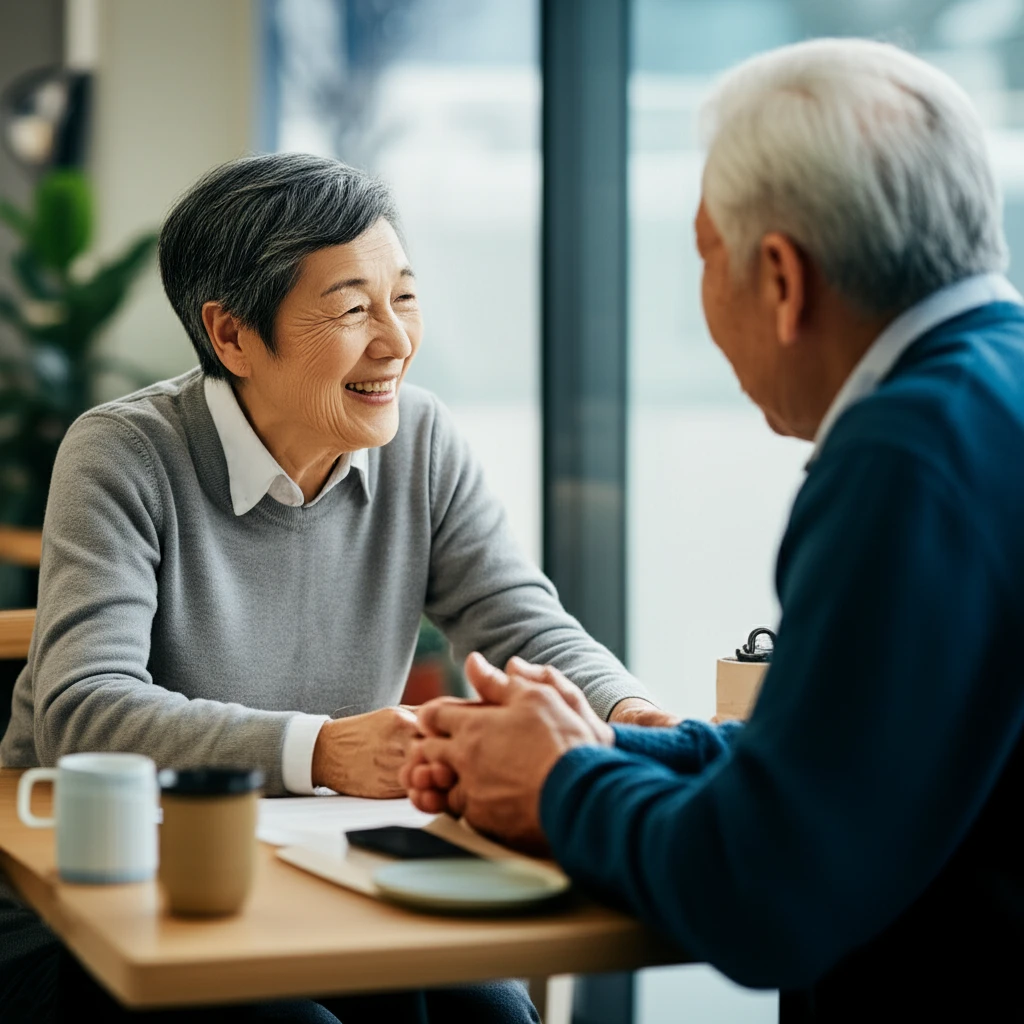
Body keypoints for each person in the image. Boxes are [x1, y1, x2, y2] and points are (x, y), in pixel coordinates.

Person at [403, 38, 1024, 1020]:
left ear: (781, 276)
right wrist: (601, 748)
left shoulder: (905, 453)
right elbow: (852, 773)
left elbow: (768, 886)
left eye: (703, 253)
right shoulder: (990, 397)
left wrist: (562, 784)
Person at [0, 153, 677, 1023]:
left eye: (403, 296)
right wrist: (321, 750)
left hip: (325, 872)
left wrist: (636, 718)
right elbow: (82, 710)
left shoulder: (420, 440)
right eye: (354, 309)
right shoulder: (124, 454)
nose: (395, 341)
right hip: (93, 902)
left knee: (492, 1015)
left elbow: (522, 627)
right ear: (233, 335)